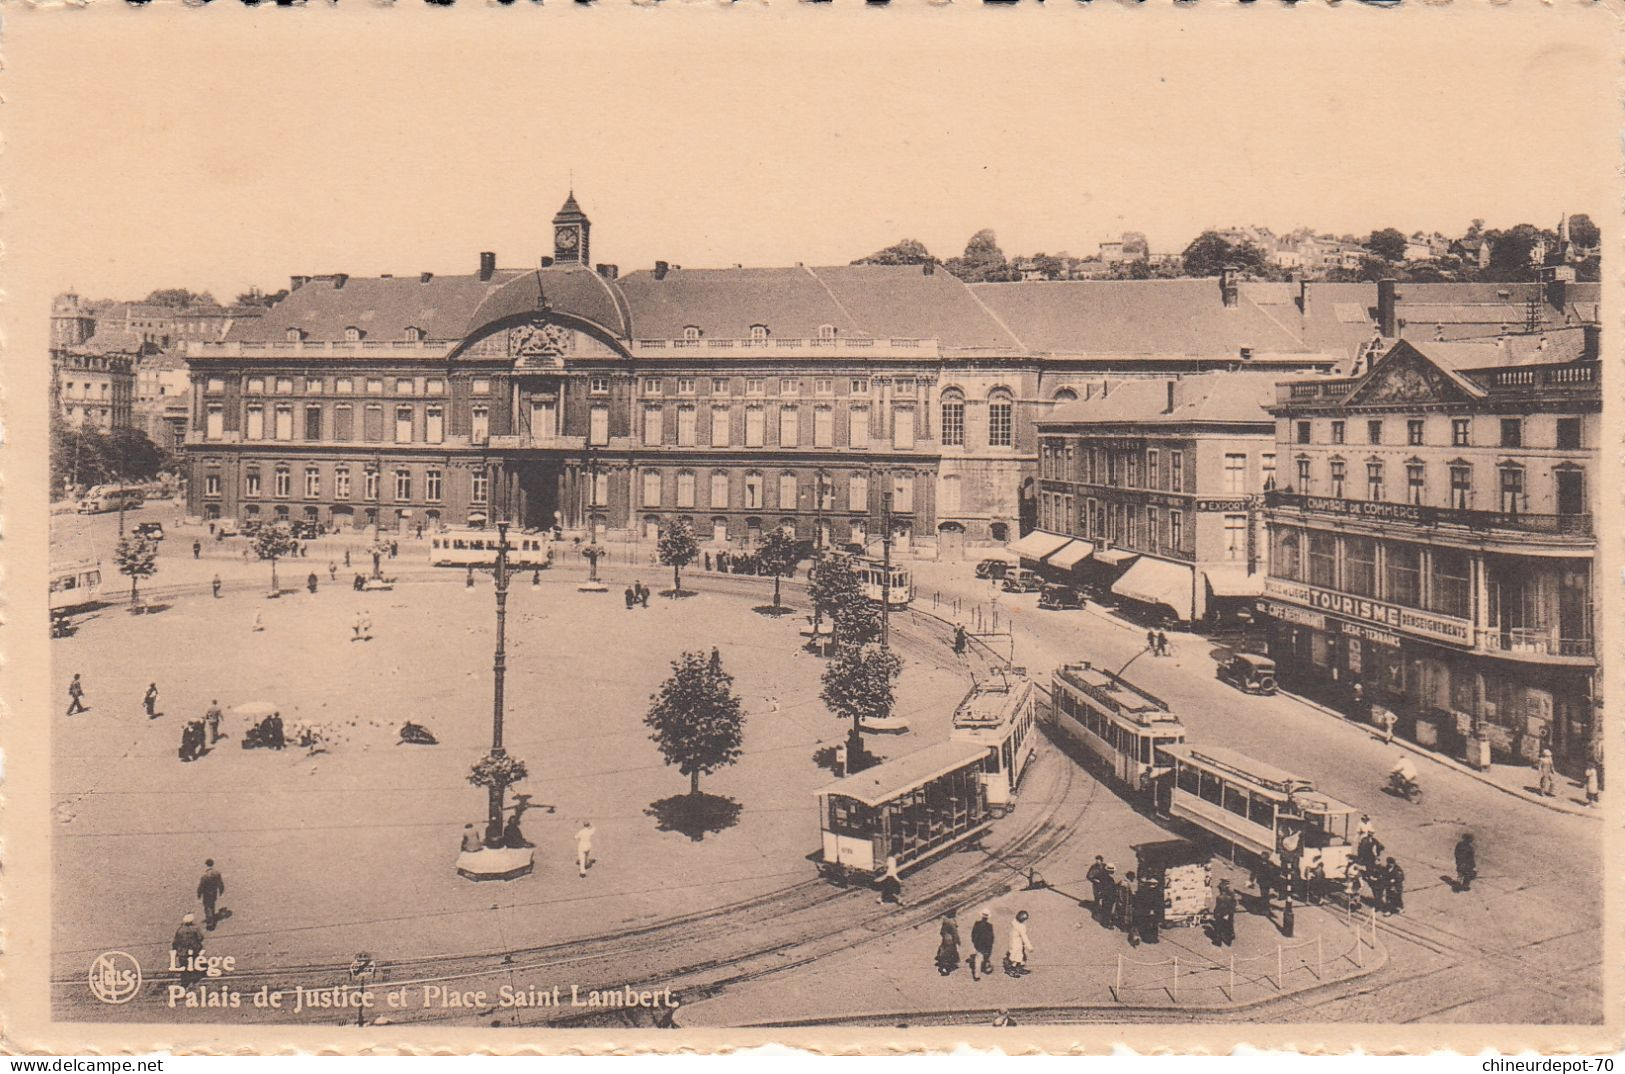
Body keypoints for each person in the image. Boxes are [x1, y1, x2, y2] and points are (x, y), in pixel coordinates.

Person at [172, 913, 205, 980]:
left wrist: (175, 948)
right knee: (193, 962)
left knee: (184, 965)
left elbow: (176, 941)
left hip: (182, 951)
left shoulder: (180, 930)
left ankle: (185, 978)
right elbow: (200, 937)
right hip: (194, 949)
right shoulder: (195, 929)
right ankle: (194, 976)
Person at [197, 860, 226, 929]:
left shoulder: (205, 875)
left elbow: (201, 886)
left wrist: (199, 894)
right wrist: (221, 891)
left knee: (207, 907)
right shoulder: (217, 873)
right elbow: (220, 883)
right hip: (214, 892)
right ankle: (212, 917)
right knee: (212, 905)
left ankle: (210, 923)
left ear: (206, 865)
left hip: (207, 893)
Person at [1005, 910, 1033, 977]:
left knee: (1021, 956)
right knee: (1016, 958)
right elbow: (1024, 937)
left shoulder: (1014, 923)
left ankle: (1018, 968)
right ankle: (1011, 970)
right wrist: (1029, 947)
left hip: (1013, 942)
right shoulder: (1021, 927)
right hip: (1017, 944)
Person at [969, 911, 995, 980]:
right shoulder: (989, 926)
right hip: (987, 945)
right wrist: (991, 944)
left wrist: (974, 942)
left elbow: (973, 934)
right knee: (986, 956)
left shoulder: (977, 924)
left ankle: (977, 975)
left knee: (978, 959)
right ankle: (986, 968)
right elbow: (991, 937)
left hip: (978, 944)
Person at [934, 910, 961, 976]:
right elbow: (955, 933)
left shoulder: (945, 921)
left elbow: (941, 932)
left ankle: (948, 963)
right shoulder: (952, 923)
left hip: (945, 939)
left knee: (945, 951)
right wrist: (958, 941)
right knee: (949, 953)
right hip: (950, 940)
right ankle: (946, 967)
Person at [1211, 879, 1237, 947]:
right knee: (1230, 924)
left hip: (1222, 914)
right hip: (1230, 912)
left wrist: (1216, 914)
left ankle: (1218, 941)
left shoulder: (1220, 898)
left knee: (1219, 927)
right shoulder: (1232, 893)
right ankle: (1231, 935)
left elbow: (1218, 908)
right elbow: (1234, 903)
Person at [1085, 856, 1110, 921]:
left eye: (1098, 860)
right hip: (1097, 885)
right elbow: (1088, 876)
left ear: (1101, 860)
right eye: (1096, 860)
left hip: (1104, 884)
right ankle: (1096, 912)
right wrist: (1094, 880)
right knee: (1097, 898)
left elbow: (1109, 873)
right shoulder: (1093, 867)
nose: (1097, 861)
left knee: (1105, 897)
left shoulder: (1105, 866)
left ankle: (1103, 911)